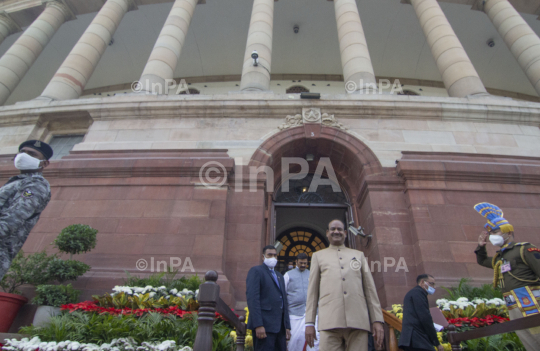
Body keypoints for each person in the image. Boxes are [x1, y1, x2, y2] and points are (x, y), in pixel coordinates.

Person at [305, 219, 385, 351]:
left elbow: (370, 290)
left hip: (358, 321)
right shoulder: (318, 256)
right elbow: (312, 293)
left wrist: (377, 320)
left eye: (340, 229)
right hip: (329, 321)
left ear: (346, 233)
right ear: (327, 233)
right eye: (333, 229)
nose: (336, 232)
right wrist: (309, 323)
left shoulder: (358, 255)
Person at [474, 202, 540, 351]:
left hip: (531, 299)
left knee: (538, 335)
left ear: (508, 232)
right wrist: (481, 246)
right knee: (527, 339)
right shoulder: (499, 257)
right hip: (512, 302)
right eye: (490, 233)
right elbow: (482, 261)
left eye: (495, 232)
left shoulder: (524, 249)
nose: (492, 236)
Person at [0, 140, 53, 280]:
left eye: (31, 154)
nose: (23, 156)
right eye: (22, 152)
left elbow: (13, 218)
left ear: (44, 163)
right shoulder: (18, 182)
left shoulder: (36, 185)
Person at [246, 245, 291, 351]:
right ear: (263, 257)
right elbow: (253, 299)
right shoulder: (256, 271)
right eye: (269, 255)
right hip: (264, 327)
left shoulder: (279, 275)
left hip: (280, 328)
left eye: (275, 255)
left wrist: (287, 326)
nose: (273, 257)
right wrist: (258, 325)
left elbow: (284, 301)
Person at [284, 252, 319, 351]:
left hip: (312, 314)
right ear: (296, 262)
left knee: (314, 341)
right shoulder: (288, 275)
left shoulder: (312, 273)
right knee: (294, 342)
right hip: (294, 315)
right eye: (301, 263)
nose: (303, 265)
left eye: (305, 263)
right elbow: (283, 295)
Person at [398, 274, 443, 351]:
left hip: (412, 339)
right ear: (422, 282)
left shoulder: (413, 293)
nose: (434, 287)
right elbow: (425, 317)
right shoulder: (418, 293)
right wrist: (436, 343)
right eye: (431, 283)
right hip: (418, 339)